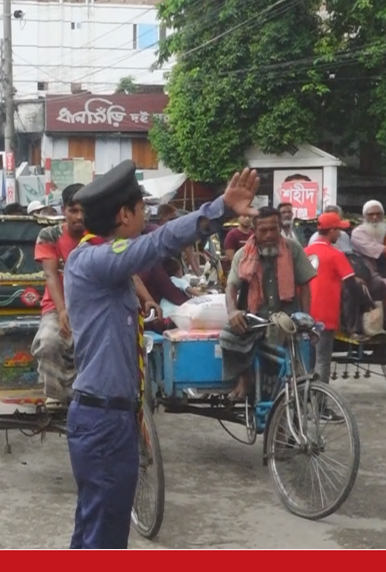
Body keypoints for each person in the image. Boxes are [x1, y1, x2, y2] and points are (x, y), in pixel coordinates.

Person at [63, 160, 260, 549]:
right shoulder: (94, 259)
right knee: (104, 536)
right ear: (124, 215)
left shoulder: (104, 262)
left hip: (110, 415)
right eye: (143, 210)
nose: (147, 218)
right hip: (102, 419)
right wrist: (217, 209)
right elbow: (157, 243)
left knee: (94, 526)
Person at [221, 206, 317, 401]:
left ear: (280, 227)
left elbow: (304, 286)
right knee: (226, 337)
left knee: (304, 354)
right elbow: (231, 286)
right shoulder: (242, 254)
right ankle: (244, 377)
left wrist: (306, 317)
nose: (269, 235)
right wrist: (232, 312)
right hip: (255, 319)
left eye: (273, 229)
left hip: (287, 319)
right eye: (263, 230)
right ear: (254, 231)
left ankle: (295, 401)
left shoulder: (293, 249)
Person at [30, 184, 85, 406]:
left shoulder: (98, 235)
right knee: (49, 342)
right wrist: (62, 311)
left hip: (91, 308)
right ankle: (55, 393)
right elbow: (51, 276)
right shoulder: (49, 235)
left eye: (84, 210)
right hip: (56, 307)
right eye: (74, 210)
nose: (79, 216)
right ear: (64, 210)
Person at [305, 213, 367, 384]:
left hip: (305, 315)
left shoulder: (305, 252)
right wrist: (367, 305)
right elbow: (351, 284)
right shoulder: (335, 254)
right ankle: (321, 402)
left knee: (307, 362)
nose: (340, 234)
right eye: (338, 230)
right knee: (323, 361)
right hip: (325, 315)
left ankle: (304, 398)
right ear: (331, 230)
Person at [351, 200, 386, 301]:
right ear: (364, 216)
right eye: (371, 214)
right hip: (370, 275)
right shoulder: (358, 233)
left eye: (378, 214)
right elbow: (382, 251)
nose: (375, 217)